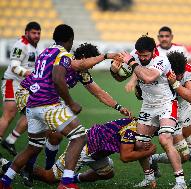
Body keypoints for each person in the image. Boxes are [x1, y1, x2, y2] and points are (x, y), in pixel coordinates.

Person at [0, 24, 121, 189]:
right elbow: (62, 75)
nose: (91, 67)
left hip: (38, 97)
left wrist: (119, 107)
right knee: (76, 135)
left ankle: (8, 179)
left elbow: (99, 93)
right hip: (34, 96)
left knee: (43, 141)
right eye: (90, 63)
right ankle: (64, 181)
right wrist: (107, 56)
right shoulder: (67, 58)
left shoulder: (50, 53)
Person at [112, 36, 187, 189]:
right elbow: (119, 77)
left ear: (153, 51)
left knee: (165, 139)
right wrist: (114, 70)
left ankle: (180, 183)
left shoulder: (162, 60)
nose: (143, 58)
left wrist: (132, 63)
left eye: (146, 55)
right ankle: (149, 178)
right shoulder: (136, 57)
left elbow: (148, 77)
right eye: (140, 55)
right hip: (148, 105)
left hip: (166, 103)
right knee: (140, 144)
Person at [0, 117, 157, 185]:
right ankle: (6, 166)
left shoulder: (141, 126)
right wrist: (150, 152)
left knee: (107, 173)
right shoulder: (132, 130)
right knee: (49, 178)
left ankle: (72, 179)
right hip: (84, 147)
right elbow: (125, 156)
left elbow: (135, 148)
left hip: (97, 149)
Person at [149, 51, 191, 188]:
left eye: (182, 73)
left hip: (185, 110)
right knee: (183, 157)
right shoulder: (160, 71)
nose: (181, 76)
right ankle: (153, 159)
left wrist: (175, 83)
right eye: (178, 73)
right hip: (168, 113)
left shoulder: (190, 70)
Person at [0, 22, 41, 156]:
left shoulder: (34, 47)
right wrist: (31, 74)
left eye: (38, 33)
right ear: (27, 32)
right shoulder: (20, 45)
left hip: (25, 86)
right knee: (9, 115)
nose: (37, 35)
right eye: (34, 33)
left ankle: (10, 141)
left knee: (32, 113)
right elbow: (14, 67)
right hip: (12, 83)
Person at [125, 26, 191, 93]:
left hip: (178, 83)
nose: (164, 39)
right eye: (161, 36)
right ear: (158, 37)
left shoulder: (180, 49)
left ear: (171, 37)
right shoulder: (152, 51)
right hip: (161, 85)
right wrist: (133, 81)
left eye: (167, 36)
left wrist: (186, 81)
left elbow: (189, 65)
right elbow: (140, 66)